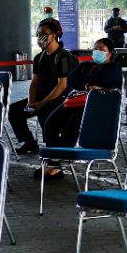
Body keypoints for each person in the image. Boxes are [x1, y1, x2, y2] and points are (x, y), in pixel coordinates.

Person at [38, 38, 123, 177]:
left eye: (102, 50)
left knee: (72, 125)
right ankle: (53, 161)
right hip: (76, 101)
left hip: (97, 107)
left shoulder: (113, 68)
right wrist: (87, 86)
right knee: (50, 123)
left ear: (110, 53)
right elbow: (71, 81)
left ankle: (59, 163)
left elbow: (107, 82)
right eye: (96, 49)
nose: (98, 52)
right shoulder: (85, 66)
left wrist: (88, 84)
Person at [8, 18, 77, 155]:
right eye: (38, 33)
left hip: (60, 98)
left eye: (44, 33)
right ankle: (29, 142)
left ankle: (52, 148)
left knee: (45, 111)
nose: (40, 37)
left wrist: (42, 103)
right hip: (41, 98)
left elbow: (62, 86)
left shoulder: (63, 57)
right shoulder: (39, 57)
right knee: (14, 110)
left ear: (54, 35)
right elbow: (34, 82)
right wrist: (31, 102)